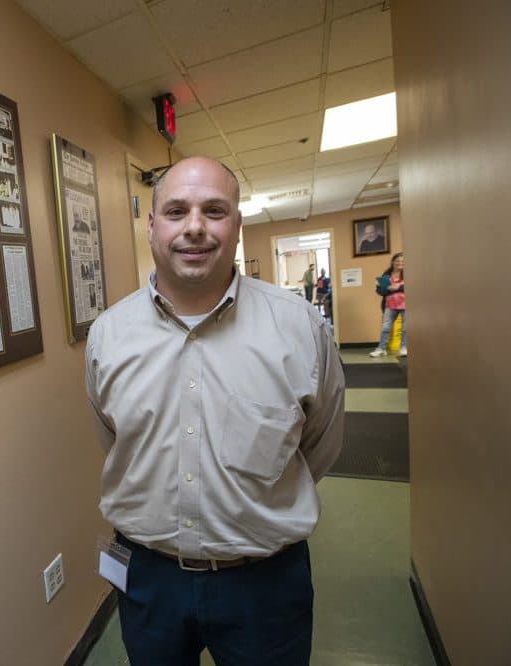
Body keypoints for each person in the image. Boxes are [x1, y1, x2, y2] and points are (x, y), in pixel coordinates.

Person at [85, 156, 344, 665]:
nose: (196, 227)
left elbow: (320, 444)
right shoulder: (108, 336)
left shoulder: (300, 329)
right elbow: (118, 444)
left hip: (265, 585)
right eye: (177, 211)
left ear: (238, 225)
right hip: (148, 581)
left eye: (215, 210)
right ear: (153, 226)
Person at [368, 252, 407, 357]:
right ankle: (381, 349)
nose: (400, 263)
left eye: (402, 261)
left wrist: (397, 287)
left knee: (405, 328)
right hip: (390, 306)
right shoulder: (386, 275)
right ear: (393, 262)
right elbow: (380, 291)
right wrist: (383, 287)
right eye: (397, 261)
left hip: (405, 306)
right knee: (385, 328)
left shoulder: (408, 273)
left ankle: (404, 347)